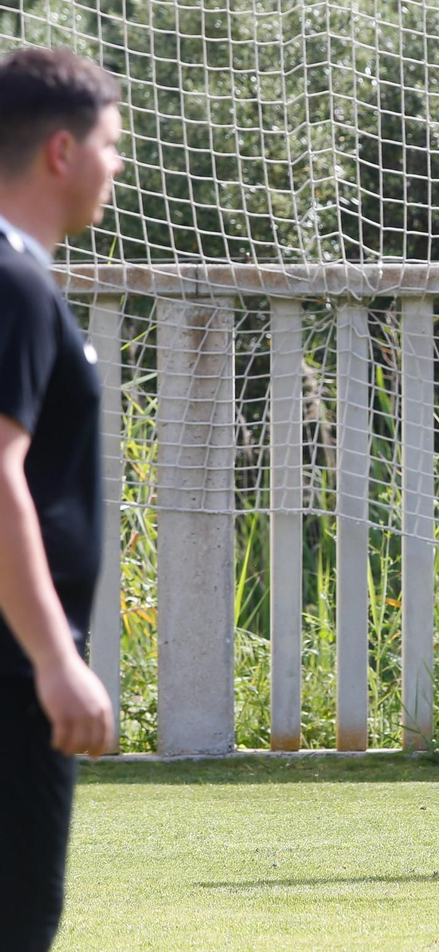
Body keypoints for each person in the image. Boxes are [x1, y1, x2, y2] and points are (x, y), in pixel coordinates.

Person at [0, 48, 125, 950]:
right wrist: (52, 659)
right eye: (110, 145)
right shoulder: (15, 286)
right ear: (60, 151)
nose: (116, 168)